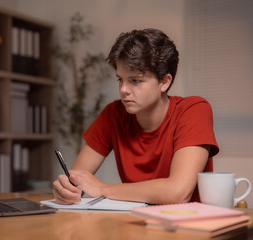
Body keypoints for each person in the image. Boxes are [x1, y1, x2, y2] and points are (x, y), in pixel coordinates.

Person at [53, 28, 219, 205]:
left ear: (164, 82)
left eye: (135, 81)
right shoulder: (113, 114)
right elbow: (77, 179)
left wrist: (102, 189)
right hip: (134, 225)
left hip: (187, 227)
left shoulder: (193, 110)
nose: (123, 89)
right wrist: (66, 190)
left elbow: (178, 193)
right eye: (120, 79)